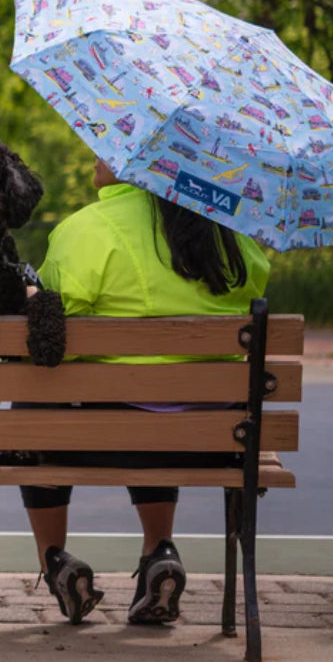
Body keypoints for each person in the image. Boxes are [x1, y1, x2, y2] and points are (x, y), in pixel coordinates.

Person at [23, 156, 270, 627]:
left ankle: (55, 560)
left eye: (106, 145)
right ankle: (160, 549)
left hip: (104, 438)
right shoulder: (230, 236)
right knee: (158, 404)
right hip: (212, 441)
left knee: (39, 402)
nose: (94, 154)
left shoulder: (87, 229)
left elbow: (51, 341)